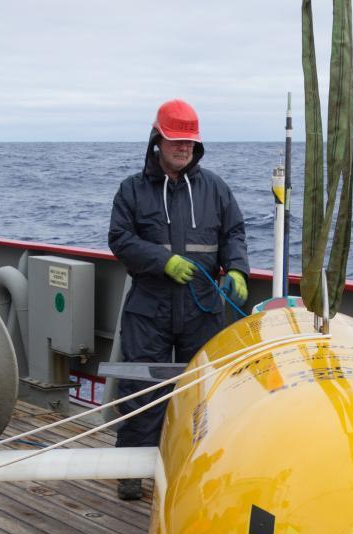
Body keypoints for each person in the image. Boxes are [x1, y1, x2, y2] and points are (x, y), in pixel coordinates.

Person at [108, 99, 249, 500]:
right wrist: (163, 261)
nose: (184, 148)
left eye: (190, 142)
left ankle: (194, 469)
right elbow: (119, 239)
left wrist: (237, 270)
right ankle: (131, 472)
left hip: (202, 308)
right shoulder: (132, 190)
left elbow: (234, 233)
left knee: (201, 392)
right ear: (158, 140)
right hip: (149, 308)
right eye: (176, 140)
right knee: (142, 390)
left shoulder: (216, 189)